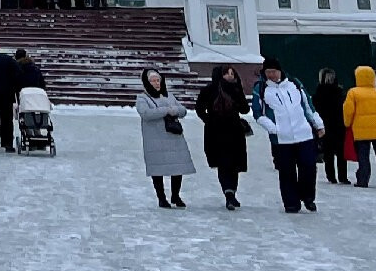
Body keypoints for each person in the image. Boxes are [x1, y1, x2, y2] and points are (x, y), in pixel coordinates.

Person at [253, 55, 325, 213]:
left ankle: (308, 197)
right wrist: (273, 128)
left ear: (280, 70)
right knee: (287, 172)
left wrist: (317, 124)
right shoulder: (261, 88)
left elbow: (308, 105)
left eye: (273, 71)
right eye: (268, 72)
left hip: (303, 134)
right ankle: (291, 202)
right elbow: (258, 113)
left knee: (309, 167)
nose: (271, 75)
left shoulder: (294, 84)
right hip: (282, 139)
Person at [192, 64, 251, 209]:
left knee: (234, 164)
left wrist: (238, 92)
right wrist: (209, 120)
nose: (230, 76)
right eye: (227, 73)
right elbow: (199, 108)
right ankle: (228, 194)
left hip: (235, 132)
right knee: (224, 164)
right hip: (216, 133)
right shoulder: (209, 90)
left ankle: (231, 193)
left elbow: (245, 109)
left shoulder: (236, 89)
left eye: (232, 73)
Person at [135, 68, 194, 207]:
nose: (156, 83)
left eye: (158, 80)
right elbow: (146, 114)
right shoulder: (143, 98)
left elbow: (183, 110)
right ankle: (161, 197)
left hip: (173, 137)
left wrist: (175, 110)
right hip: (154, 138)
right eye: (153, 81)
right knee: (157, 169)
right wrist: (166, 110)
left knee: (178, 167)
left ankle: (175, 195)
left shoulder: (169, 96)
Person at [313, 68, 350, 184]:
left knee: (328, 151)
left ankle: (331, 176)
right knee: (341, 152)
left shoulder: (318, 93)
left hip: (325, 125)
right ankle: (343, 177)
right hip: (339, 125)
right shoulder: (340, 93)